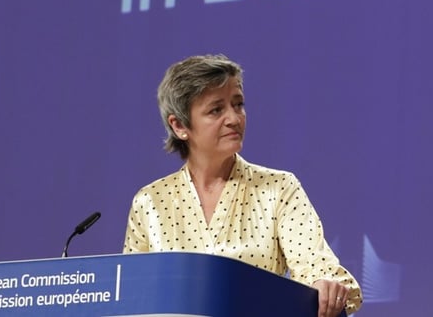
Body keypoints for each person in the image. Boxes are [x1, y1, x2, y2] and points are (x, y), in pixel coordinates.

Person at [123, 54, 362, 316]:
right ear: (179, 125)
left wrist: (324, 286)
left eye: (238, 105)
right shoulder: (150, 202)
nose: (234, 119)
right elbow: (129, 297)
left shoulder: (279, 188)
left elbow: (317, 267)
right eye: (216, 110)